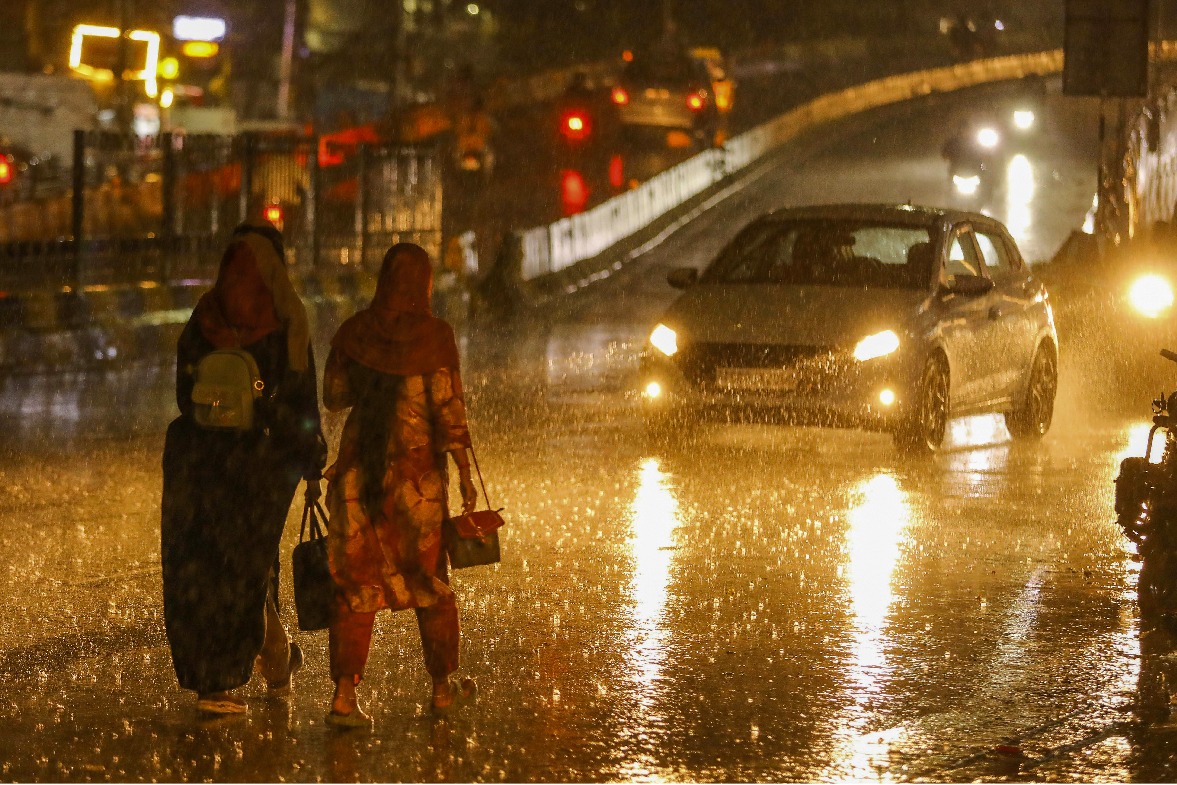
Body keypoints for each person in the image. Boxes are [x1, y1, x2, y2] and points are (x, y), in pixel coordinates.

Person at [161, 221, 327, 715]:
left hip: (199, 460)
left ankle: (229, 671)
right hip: (263, 462)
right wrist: (311, 463)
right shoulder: (287, 320)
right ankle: (238, 669)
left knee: (208, 566)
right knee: (248, 564)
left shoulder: (204, 317)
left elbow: (183, 394)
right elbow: (302, 404)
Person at [322, 242, 479, 727]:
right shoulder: (434, 337)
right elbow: (447, 411)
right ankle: (440, 688)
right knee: (429, 579)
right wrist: (466, 474)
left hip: (358, 477)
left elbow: (333, 397)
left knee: (356, 585)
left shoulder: (355, 334)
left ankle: (344, 697)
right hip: (418, 484)